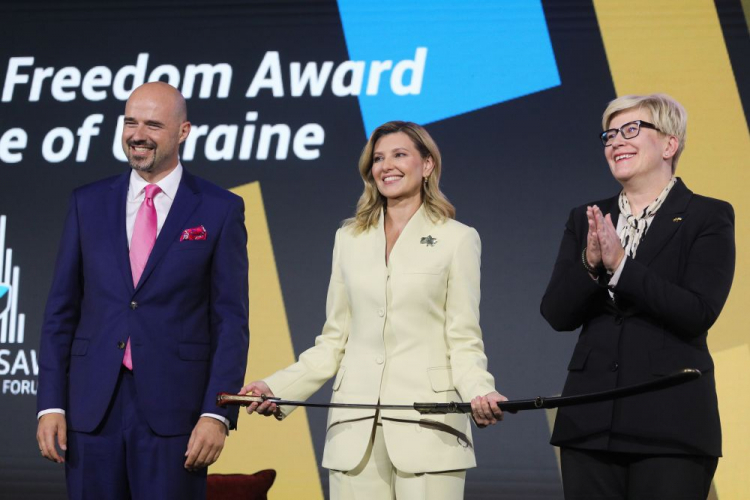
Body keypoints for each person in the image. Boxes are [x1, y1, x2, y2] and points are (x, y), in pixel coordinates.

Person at [240, 121, 507, 499]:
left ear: (427, 165)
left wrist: (481, 391)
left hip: (430, 429)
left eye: (400, 155)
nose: (386, 166)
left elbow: (463, 337)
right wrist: (275, 388)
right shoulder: (348, 238)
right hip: (354, 431)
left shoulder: (457, 238)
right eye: (378, 158)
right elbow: (334, 341)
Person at [36, 82, 249, 500]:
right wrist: (51, 404)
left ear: (183, 132)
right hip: (90, 410)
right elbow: (61, 312)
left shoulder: (219, 209)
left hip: (177, 413)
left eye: (153, 124)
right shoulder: (87, 202)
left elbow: (230, 321)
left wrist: (216, 412)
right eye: (130, 121)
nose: (138, 134)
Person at [541, 93, 735, 499]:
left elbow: (697, 311)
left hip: (671, 424)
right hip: (589, 424)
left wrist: (623, 266)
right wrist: (592, 264)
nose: (615, 141)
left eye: (631, 130)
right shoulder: (587, 217)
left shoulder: (708, 215)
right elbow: (557, 313)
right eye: (609, 134)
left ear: (669, 144)